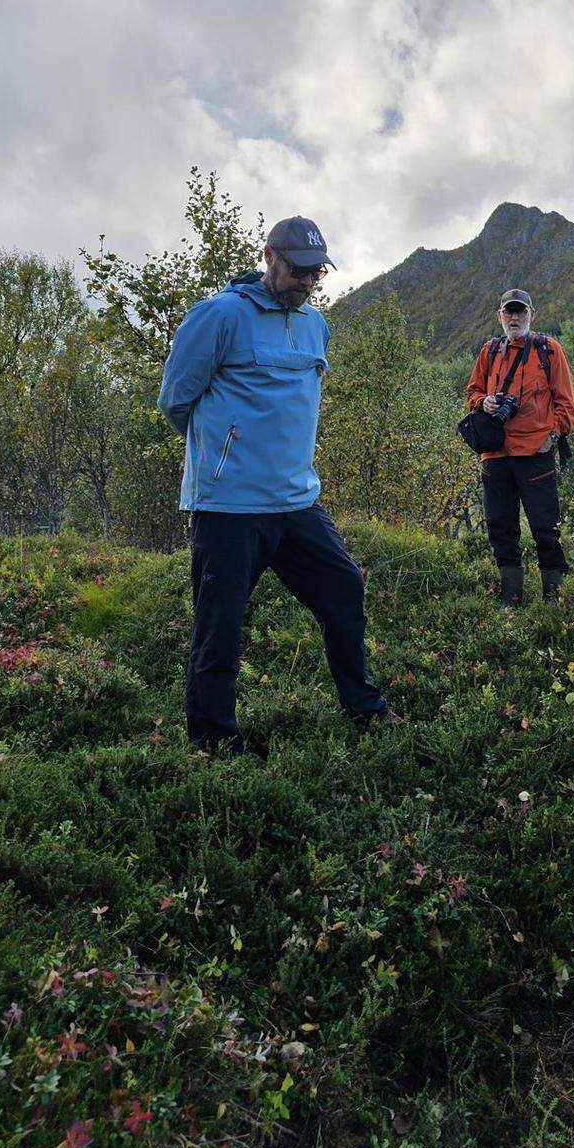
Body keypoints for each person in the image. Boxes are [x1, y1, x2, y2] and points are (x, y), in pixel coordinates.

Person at [157, 216, 397, 753]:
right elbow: (176, 400)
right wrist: (222, 456)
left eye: (316, 273)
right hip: (230, 507)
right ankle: (214, 742)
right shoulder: (218, 316)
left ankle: (364, 708)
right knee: (218, 629)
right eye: (297, 270)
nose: (307, 281)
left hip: (296, 501)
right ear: (269, 257)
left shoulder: (316, 325)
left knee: (344, 591)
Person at [466, 289, 574, 606]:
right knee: (501, 528)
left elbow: (566, 404)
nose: (514, 317)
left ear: (532, 314)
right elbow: (473, 391)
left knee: (546, 529)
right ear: (499, 315)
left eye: (520, 311)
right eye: (509, 312)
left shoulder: (548, 350)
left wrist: (551, 437)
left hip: (535, 454)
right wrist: (483, 402)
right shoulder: (489, 351)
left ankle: (553, 599)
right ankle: (510, 597)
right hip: (496, 455)